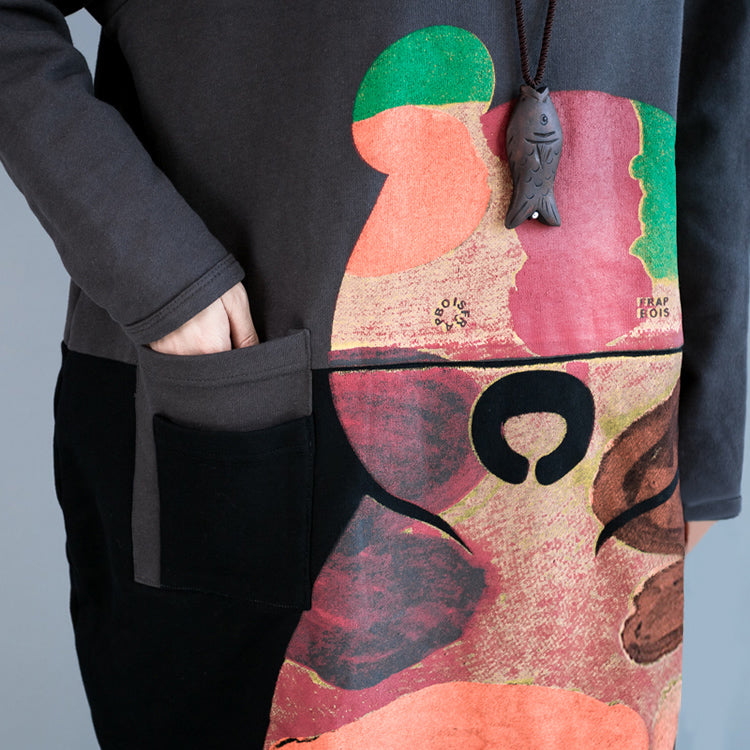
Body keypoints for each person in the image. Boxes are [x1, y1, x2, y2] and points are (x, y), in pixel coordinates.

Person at [0, 1, 746, 748]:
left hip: (603, 471)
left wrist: (708, 438)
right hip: (266, 419)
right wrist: (158, 270)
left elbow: (718, 76)